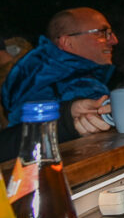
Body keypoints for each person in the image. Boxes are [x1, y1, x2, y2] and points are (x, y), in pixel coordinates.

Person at [0, 8, 116, 160]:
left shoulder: (38, 72)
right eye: (101, 33)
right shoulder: (67, 83)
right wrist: (69, 121)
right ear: (67, 42)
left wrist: (69, 112)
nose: (114, 40)